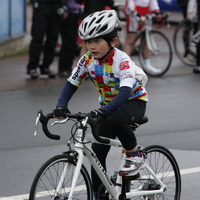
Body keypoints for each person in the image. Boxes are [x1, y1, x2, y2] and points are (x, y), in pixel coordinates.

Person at [53, 10, 148, 198]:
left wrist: (102, 111)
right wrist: (61, 105)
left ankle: (135, 154)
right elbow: (71, 83)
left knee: (115, 118)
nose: (92, 46)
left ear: (113, 42)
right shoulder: (87, 60)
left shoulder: (123, 61)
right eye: (88, 42)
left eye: (97, 41)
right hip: (107, 107)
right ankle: (99, 194)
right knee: (96, 153)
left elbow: (124, 92)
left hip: (132, 101)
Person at [27, 0, 67, 79]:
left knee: (52, 38)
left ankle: (46, 66)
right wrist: (34, 2)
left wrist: (63, 5)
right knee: (37, 37)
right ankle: (32, 67)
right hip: (41, 5)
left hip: (56, 6)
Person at [123, 0, 161, 73]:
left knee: (146, 39)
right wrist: (135, 12)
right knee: (130, 40)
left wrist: (156, 11)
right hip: (133, 12)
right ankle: (125, 67)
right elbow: (130, 3)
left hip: (146, 11)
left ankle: (147, 65)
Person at [57, 0, 81, 78]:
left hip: (76, 14)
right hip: (67, 14)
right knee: (66, 42)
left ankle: (68, 67)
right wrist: (64, 9)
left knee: (72, 43)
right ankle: (63, 68)